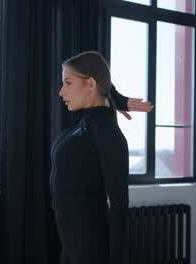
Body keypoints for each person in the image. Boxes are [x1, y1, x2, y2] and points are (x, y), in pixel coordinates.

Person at [49, 51, 153, 264]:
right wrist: (117, 98)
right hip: (70, 246)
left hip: (91, 249)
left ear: (90, 84)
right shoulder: (81, 125)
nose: (61, 92)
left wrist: (116, 259)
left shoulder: (106, 131)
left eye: (68, 83)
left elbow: (119, 204)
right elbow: (98, 76)